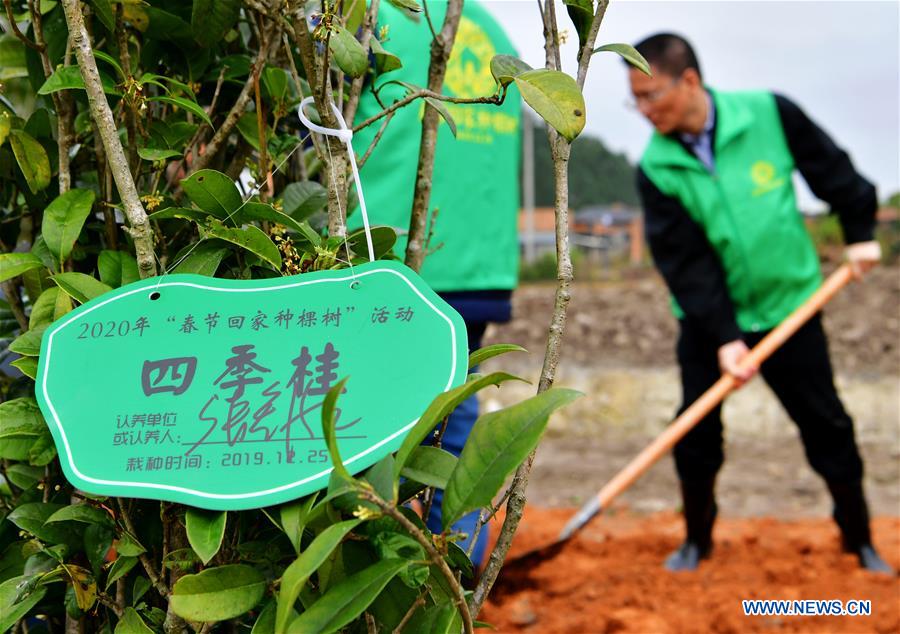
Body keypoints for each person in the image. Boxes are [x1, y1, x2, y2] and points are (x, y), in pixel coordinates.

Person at [627, 33, 891, 573]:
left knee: (828, 426)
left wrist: (860, 231)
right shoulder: (655, 167)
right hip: (707, 322)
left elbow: (834, 171)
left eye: (652, 96)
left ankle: (859, 538)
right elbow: (686, 264)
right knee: (696, 435)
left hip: (789, 306)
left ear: (690, 81)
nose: (645, 112)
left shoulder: (769, 114)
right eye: (636, 100)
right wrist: (725, 337)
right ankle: (696, 541)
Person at [352, 1, 521, 569]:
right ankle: (462, 556)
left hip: (392, 257)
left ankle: (382, 567)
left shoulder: (376, 15)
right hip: (477, 265)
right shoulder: (492, 31)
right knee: (454, 401)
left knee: (374, 415)